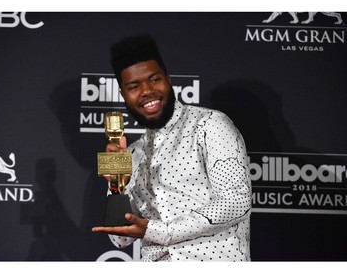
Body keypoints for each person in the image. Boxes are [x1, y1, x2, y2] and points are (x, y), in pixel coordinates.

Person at [92, 34, 251, 261]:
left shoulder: (209, 125)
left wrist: (162, 231)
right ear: (124, 94)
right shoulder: (132, 154)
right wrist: (117, 186)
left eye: (154, 79)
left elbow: (236, 201)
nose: (147, 91)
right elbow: (120, 238)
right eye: (134, 86)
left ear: (168, 79)